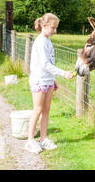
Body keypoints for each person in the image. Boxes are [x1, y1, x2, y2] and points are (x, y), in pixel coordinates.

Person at [25, 13, 75, 154]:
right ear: (44, 26)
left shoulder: (47, 40)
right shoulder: (40, 41)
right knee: (38, 109)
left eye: (56, 28)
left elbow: (49, 63)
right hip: (39, 80)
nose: (55, 31)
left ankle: (43, 139)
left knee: (46, 110)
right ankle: (30, 140)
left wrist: (53, 79)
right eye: (53, 28)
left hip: (47, 80)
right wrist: (63, 73)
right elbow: (44, 64)